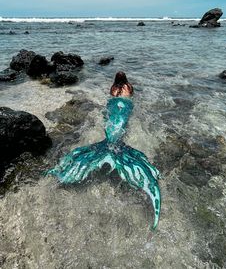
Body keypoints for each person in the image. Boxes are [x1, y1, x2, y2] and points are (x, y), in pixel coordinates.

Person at [47, 71, 161, 229]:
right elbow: (131, 98)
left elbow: (111, 100)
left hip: (112, 106)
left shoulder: (113, 88)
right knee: (121, 130)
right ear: (126, 79)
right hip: (125, 106)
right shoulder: (129, 87)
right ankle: (117, 151)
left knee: (111, 126)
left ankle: (103, 152)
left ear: (115, 80)